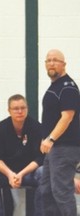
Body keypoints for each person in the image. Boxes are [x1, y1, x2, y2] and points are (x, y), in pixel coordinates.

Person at [0, 94, 44, 216]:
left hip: (29, 173)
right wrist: (9, 174)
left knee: (45, 172)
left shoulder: (37, 128)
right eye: (15, 108)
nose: (20, 111)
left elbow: (41, 158)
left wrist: (21, 174)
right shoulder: (0, 128)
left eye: (23, 108)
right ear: (9, 110)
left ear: (27, 109)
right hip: (6, 173)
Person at [40, 49, 80, 216]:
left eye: (55, 60)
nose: (51, 63)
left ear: (64, 64)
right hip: (55, 150)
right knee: (47, 191)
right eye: (48, 60)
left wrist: (50, 139)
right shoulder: (56, 86)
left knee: (62, 193)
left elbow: (67, 116)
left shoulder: (67, 87)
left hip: (65, 147)